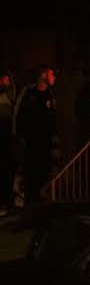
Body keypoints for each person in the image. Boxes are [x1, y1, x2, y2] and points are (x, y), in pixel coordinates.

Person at [12, 66, 58, 206]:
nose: (54, 77)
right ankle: (28, 201)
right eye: (51, 74)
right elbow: (18, 113)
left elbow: (53, 116)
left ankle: (38, 201)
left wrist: (54, 135)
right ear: (43, 75)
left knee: (43, 171)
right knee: (30, 171)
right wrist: (18, 134)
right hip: (30, 140)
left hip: (45, 141)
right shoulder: (28, 92)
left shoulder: (50, 94)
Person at [0, 72, 17, 209]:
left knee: (8, 167)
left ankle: (7, 198)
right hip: (3, 134)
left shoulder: (9, 96)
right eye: (5, 80)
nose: (8, 83)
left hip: (7, 136)